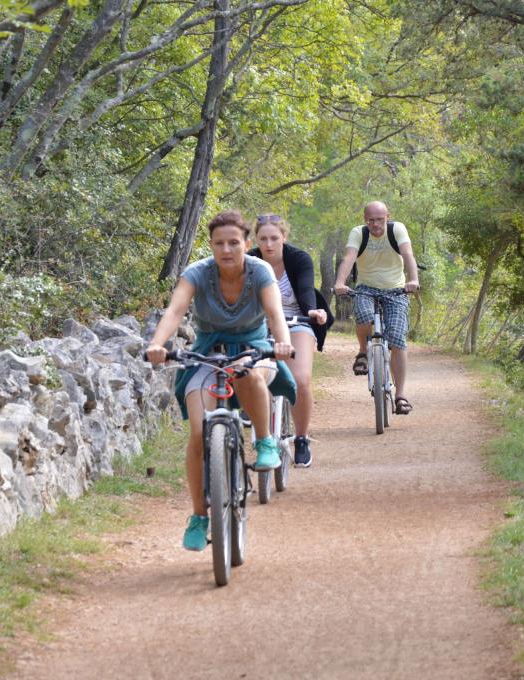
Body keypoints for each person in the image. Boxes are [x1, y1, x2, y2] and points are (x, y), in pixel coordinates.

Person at [145, 210, 295, 552]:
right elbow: (175, 311)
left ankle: (265, 442)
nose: (226, 250)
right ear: (211, 245)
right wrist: (157, 344)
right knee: (199, 433)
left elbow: (274, 313)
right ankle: (199, 516)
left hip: (254, 348)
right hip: (208, 352)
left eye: (233, 243)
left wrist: (282, 343)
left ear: (246, 243)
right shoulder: (197, 273)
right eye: (219, 243)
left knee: (247, 373)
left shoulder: (260, 271)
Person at [249, 213, 333, 468]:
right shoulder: (249, 261)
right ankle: (262, 436)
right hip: (260, 325)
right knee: (248, 375)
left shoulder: (299, 259)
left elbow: (306, 290)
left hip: (297, 320)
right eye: (263, 239)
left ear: (284, 237)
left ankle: (302, 438)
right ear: (256, 240)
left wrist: (312, 311)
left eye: (274, 238)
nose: (269, 244)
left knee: (300, 379)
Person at [333, 201, 420, 415]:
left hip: (396, 290)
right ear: (365, 220)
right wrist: (340, 283)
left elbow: (407, 254)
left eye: (380, 219)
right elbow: (349, 257)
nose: (375, 224)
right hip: (366, 288)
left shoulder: (397, 229)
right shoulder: (359, 233)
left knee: (397, 339)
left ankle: (400, 396)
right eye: (371, 220)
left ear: (387, 217)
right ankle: (363, 352)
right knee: (363, 316)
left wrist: (413, 280)